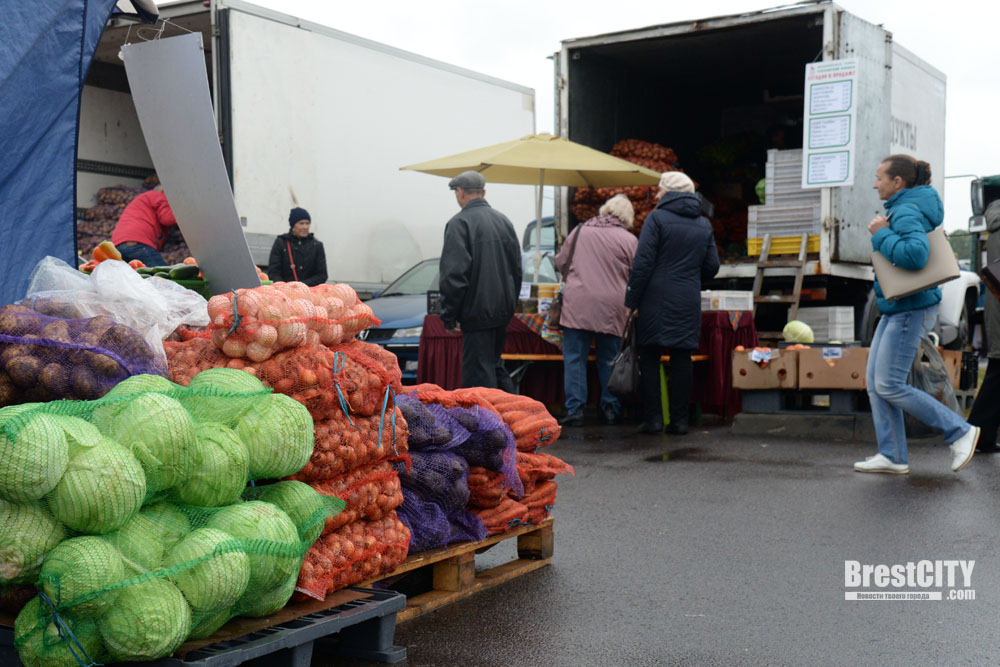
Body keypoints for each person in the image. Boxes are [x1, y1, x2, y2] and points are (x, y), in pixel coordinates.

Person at [855, 154, 979, 474]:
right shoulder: (905, 207)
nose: (874, 183)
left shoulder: (906, 210)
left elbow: (915, 256)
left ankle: (960, 431)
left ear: (897, 182)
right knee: (876, 382)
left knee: (890, 384)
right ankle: (892, 455)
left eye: (879, 177)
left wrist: (882, 234)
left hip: (910, 308)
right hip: (899, 307)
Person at [625, 172, 720, 435]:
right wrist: (688, 275)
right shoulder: (703, 223)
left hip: (655, 298)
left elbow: (642, 263)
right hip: (687, 297)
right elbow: (712, 266)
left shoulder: (656, 218)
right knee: (682, 357)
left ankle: (654, 419)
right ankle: (679, 422)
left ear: (669, 193)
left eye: (659, 190)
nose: (655, 195)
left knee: (650, 357)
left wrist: (631, 300)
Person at [555, 194, 638, 427]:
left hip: (578, 304)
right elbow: (637, 274)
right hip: (613, 307)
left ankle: (575, 410)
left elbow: (561, 262)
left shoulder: (579, 232)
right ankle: (610, 408)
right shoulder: (629, 240)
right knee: (610, 359)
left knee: (574, 359)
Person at [439, 170, 521, 390]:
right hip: (502, 311)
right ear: (483, 192)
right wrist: (510, 305)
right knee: (495, 366)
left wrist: (449, 316)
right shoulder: (504, 221)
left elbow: (454, 276)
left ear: (460, 193)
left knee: (479, 377)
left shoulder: (459, 223)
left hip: (476, 314)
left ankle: (487, 424)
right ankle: (513, 418)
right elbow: (517, 269)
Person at [966, 200, 1000, 453]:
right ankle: (976, 434)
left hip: (996, 303)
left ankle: (980, 435)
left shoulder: (996, 222)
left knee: (997, 373)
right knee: (997, 374)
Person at [111, 185, 176, 266]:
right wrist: (189, 214)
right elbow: (167, 218)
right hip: (137, 244)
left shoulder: (144, 199)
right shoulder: (157, 195)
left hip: (118, 246)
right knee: (162, 275)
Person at [266, 207, 328, 286]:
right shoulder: (281, 243)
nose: (305, 227)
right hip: (286, 293)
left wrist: (302, 286)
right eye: (301, 223)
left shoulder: (317, 246)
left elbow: (322, 275)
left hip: (310, 293)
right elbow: (273, 272)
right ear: (293, 225)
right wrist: (285, 287)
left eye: (307, 223)